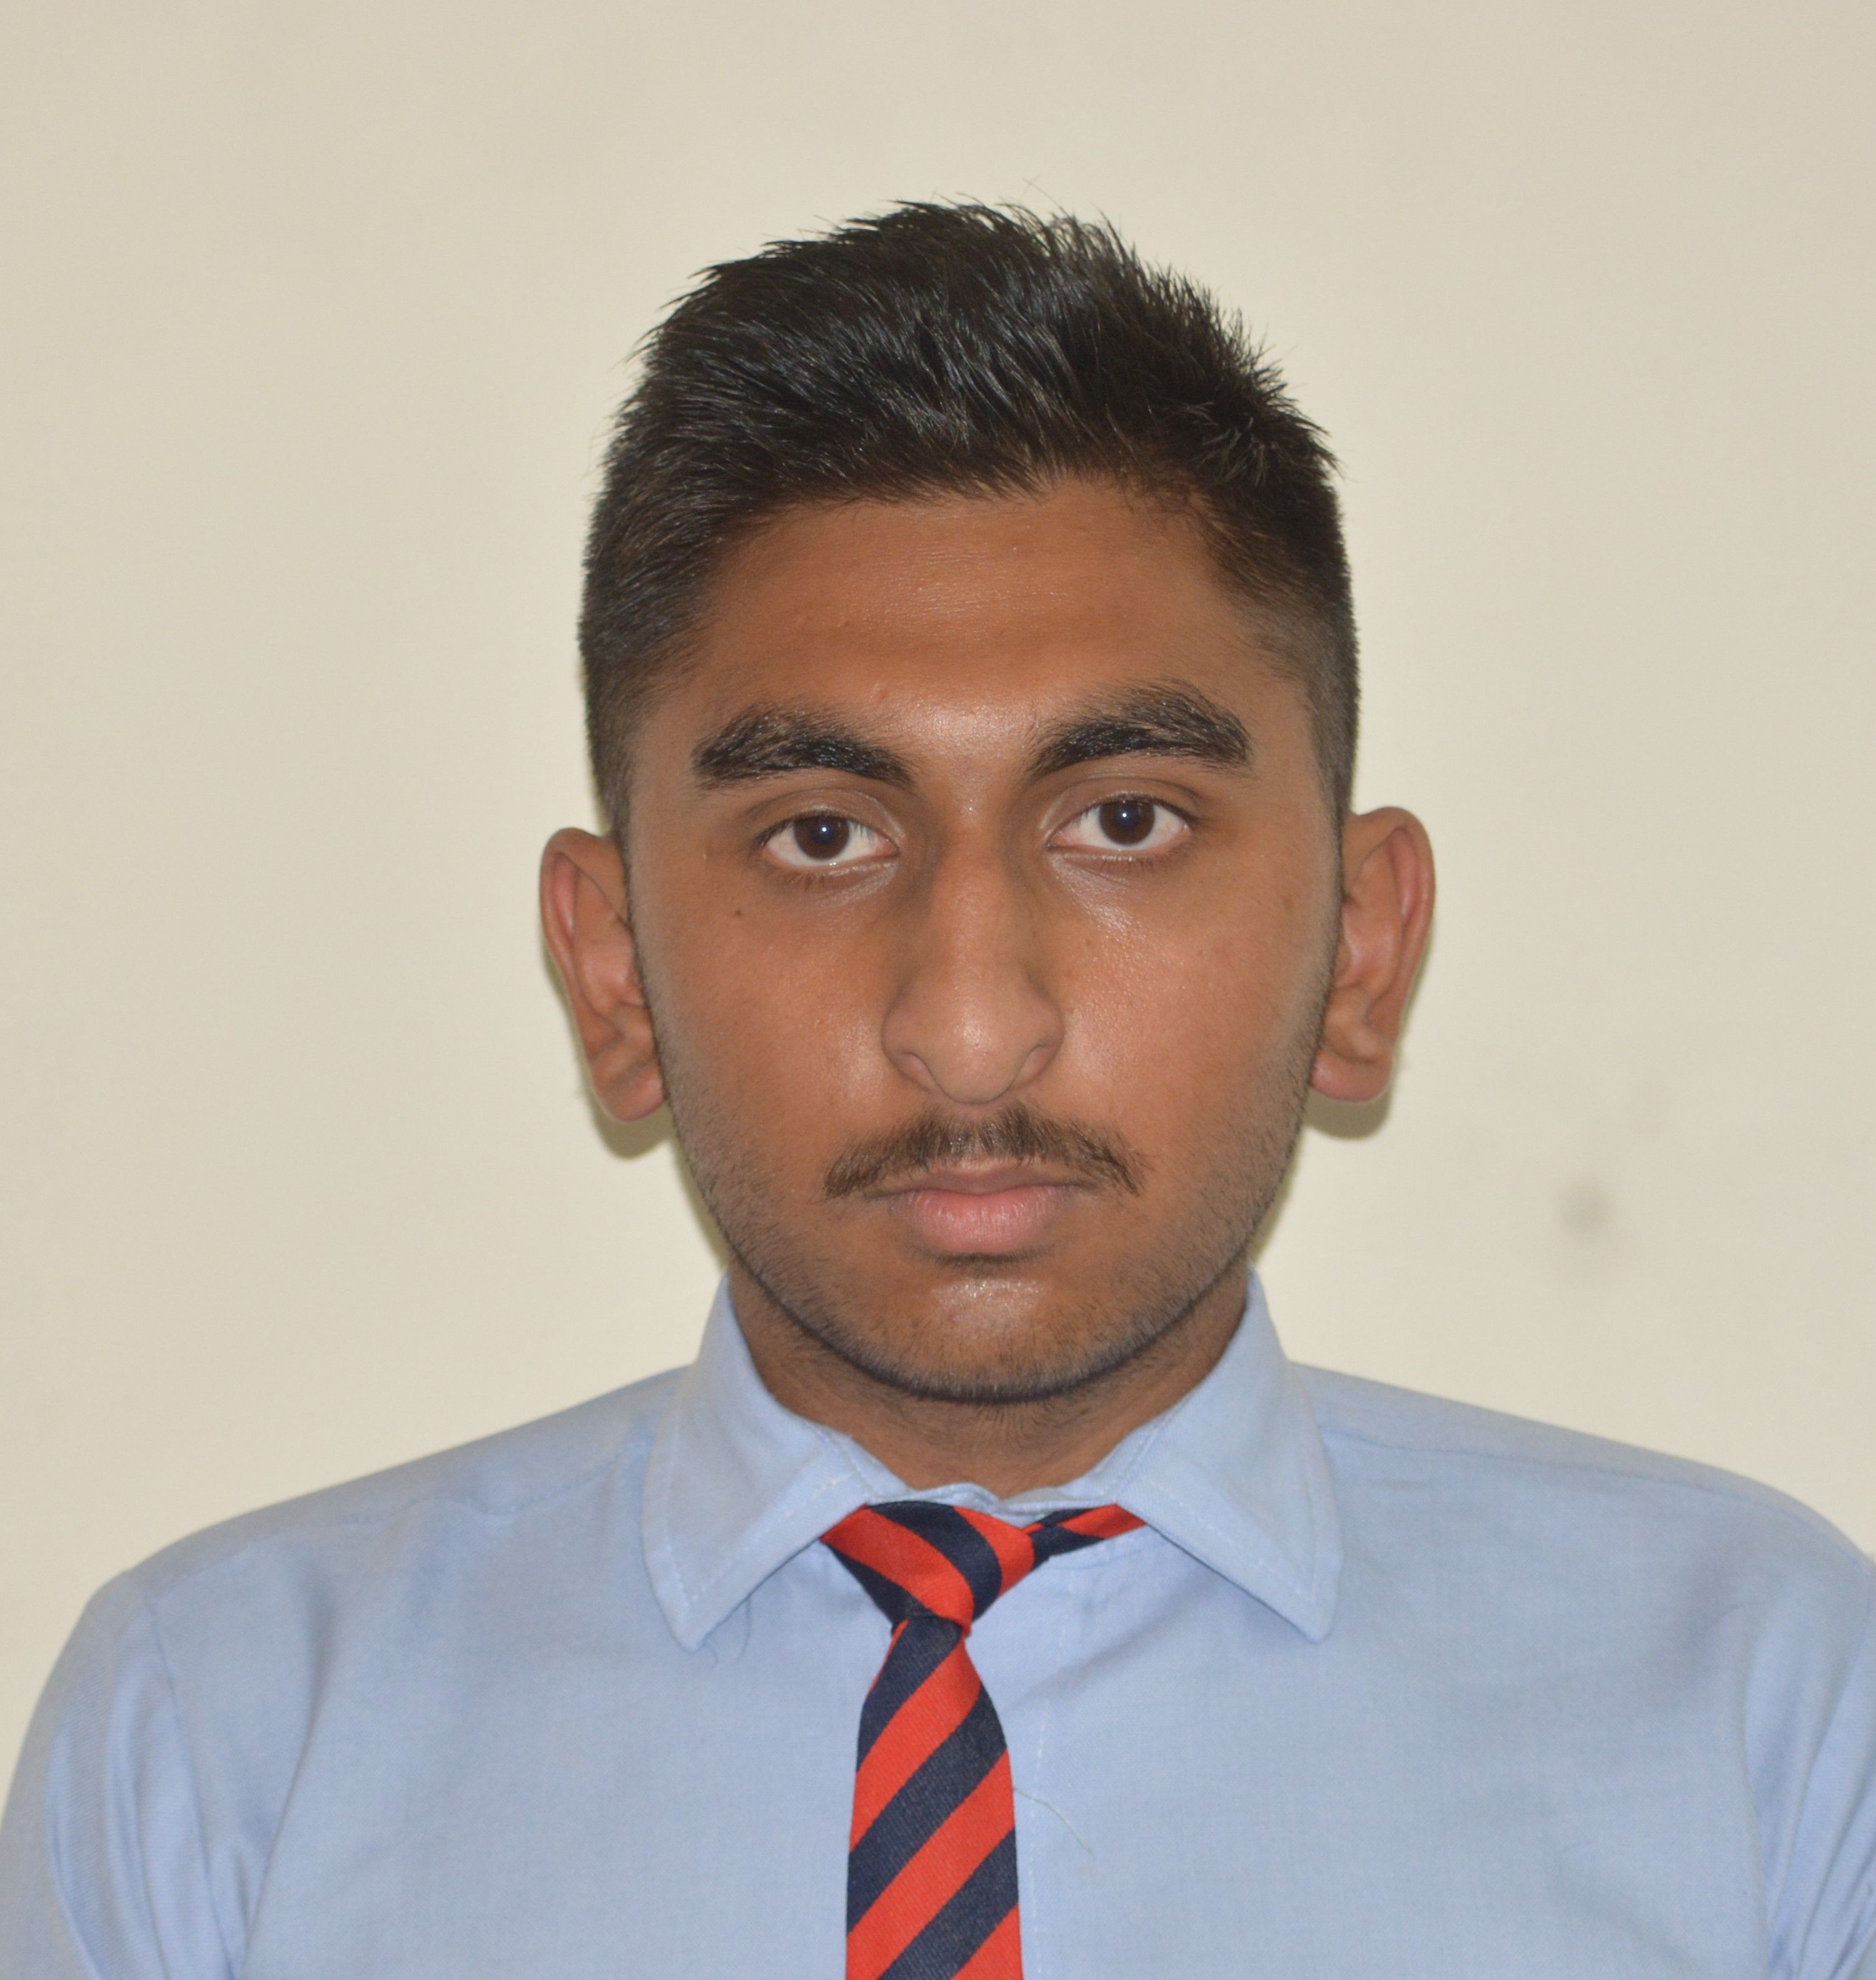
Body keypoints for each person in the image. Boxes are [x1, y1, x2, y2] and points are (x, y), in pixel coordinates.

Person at [3, 201, 1872, 1980]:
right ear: (615, 968)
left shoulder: (1768, 1721)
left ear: (1361, 951)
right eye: (822, 835)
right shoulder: (223, 1751)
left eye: (1124, 822)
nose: (972, 1032)